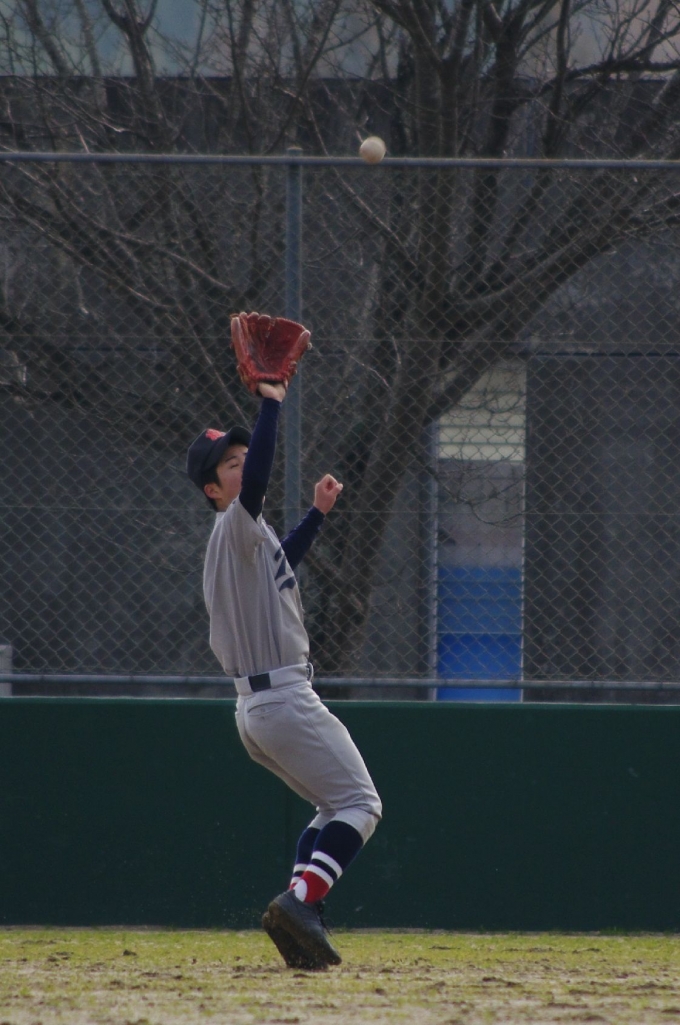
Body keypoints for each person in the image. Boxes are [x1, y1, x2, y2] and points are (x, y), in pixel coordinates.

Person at [186, 381, 382, 970]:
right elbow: (260, 479)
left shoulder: (245, 542)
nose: (245, 466)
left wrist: (317, 515)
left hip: (256, 709)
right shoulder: (235, 522)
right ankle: (301, 902)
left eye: (244, 457)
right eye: (232, 464)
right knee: (361, 804)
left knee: (329, 808)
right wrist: (271, 401)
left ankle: (300, 920)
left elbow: (283, 565)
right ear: (213, 489)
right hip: (284, 698)